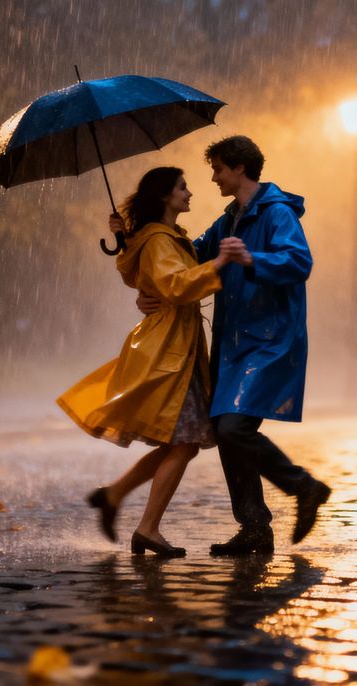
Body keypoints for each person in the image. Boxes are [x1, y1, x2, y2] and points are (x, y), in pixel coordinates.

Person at [134, 136, 331, 556]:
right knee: (227, 431)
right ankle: (255, 528)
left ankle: (303, 487)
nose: (213, 177)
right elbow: (188, 259)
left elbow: (300, 262)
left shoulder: (276, 212)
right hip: (232, 344)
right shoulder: (230, 218)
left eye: (218, 169)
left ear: (239, 168)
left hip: (269, 340)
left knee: (232, 427)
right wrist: (137, 247)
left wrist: (253, 261)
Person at [60, 166, 238, 558]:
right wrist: (220, 264)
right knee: (186, 442)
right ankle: (148, 528)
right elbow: (174, 284)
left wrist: (125, 239)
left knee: (182, 442)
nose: (189, 192)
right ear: (164, 196)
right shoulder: (159, 240)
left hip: (177, 346)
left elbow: (141, 275)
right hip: (170, 351)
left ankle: (116, 496)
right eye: (182, 186)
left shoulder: (161, 237)